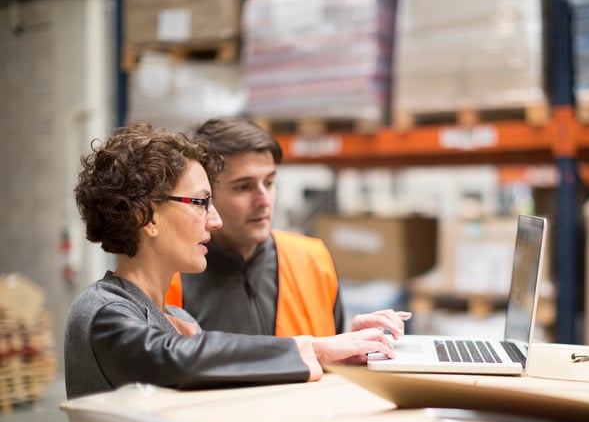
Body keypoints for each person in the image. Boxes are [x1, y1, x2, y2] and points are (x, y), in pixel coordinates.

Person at [64, 123, 395, 399]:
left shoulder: (177, 318)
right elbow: (174, 359)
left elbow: (229, 379)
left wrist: (339, 352)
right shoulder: (102, 311)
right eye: (200, 202)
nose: (215, 221)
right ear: (146, 216)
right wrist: (316, 349)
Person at [164, 116, 410, 339]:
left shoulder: (311, 259)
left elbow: (329, 362)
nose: (264, 200)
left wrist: (351, 342)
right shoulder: (172, 278)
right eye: (244, 187)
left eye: (269, 183)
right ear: (207, 196)